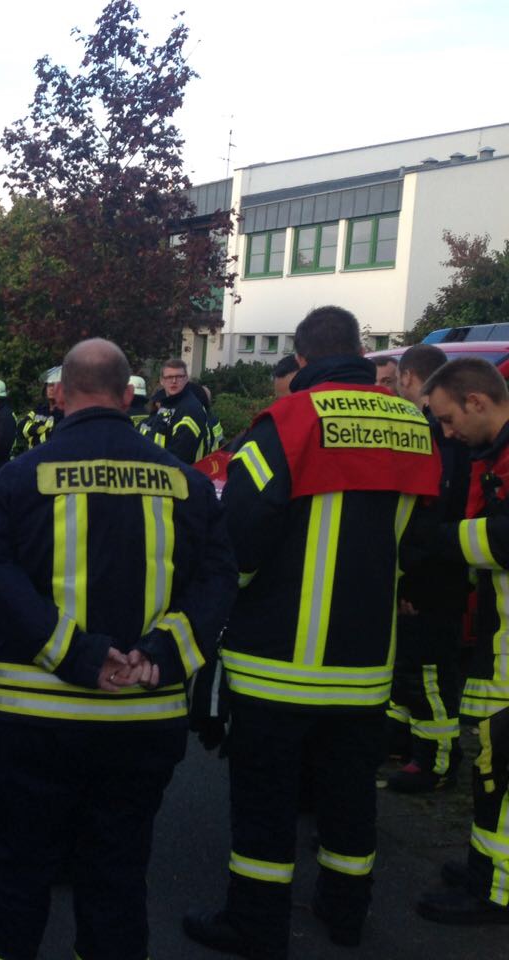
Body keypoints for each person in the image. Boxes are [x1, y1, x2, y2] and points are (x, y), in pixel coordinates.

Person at [0, 337, 236, 960]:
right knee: (115, 880)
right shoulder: (186, 485)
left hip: (34, 720)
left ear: (62, 395)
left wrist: (76, 654)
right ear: (126, 394)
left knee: (14, 874)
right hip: (144, 719)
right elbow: (219, 578)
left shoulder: (19, 477)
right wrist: (163, 652)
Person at [184, 306, 441, 958]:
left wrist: (216, 608)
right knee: (350, 799)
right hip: (365, 666)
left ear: (299, 360)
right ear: (359, 351)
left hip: (276, 663)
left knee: (266, 801)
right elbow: (421, 545)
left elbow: (239, 539)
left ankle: (256, 924)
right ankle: (345, 912)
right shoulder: (412, 424)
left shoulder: (289, 423)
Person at [413, 357, 509, 925]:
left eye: (448, 421)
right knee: (491, 768)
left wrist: (438, 540)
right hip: (496, 639)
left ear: (476, 402)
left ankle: (495, 892)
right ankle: (483, 865)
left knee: (503, 770)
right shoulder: (492, 455)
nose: (446, 434)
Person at [387, 344, 469, 793]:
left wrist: (413, 574)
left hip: (435, 580)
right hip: (427, 575)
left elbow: (432, 517)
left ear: (411, 379)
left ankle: (437, 762)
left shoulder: (440, 439)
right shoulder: (438, 435)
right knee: (414, 671)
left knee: (433, 676)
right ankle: (406, 744)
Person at [139, 358, 211, 464]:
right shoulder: (166, 404)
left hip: (180, 476)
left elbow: (179, 455)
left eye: (179, 377)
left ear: (186, 379)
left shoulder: (190, 409)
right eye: (169, 377)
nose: (174, 381)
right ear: (162, 381)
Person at [20, 366, 64, 449]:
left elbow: (54, 437)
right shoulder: (40, 409)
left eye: (54, 386)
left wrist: (32, 432)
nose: (51, 389)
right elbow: (21, 427)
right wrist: (37, 429)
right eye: (49, 385)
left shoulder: (65, 412)